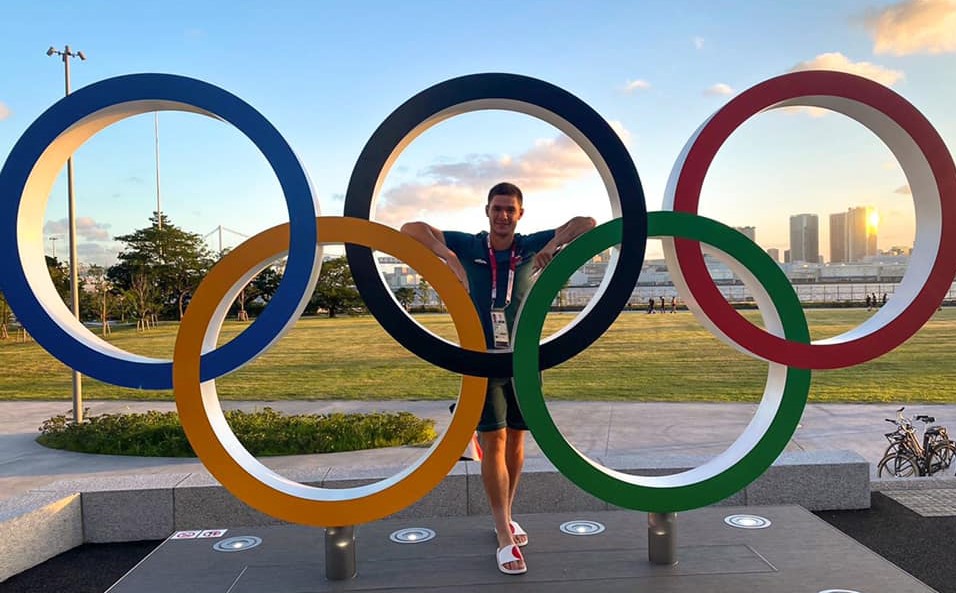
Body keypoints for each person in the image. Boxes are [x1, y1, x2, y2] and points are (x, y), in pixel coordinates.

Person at [401, 182, 595, 575]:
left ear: (520, 214)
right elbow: (409, 229)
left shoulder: (529, 246)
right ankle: (503, 533)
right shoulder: (468, 245)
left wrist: (553, 244)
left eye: (510, 209)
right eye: (497, 208)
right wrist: (446, 255)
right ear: (486, 211)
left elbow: (588, 224)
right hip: (482, 362)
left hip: (523, 362)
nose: (503, 215)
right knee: (494, 441)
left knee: (517, 442)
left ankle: (506, 515)